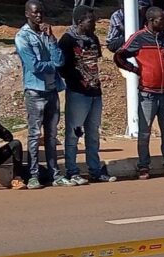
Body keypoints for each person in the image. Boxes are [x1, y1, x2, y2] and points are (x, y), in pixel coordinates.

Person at [116, 7, 164, 179]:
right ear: (151, 20)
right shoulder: (139, 38)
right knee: (145, 131)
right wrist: (134, 69)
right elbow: (119, 55)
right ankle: (143, 166)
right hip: (147, 93)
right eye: (161, 20)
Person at [15, 0, 70, 188]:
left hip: (52, 89)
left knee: (52, 134)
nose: (39, 16)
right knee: (34, 134)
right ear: (27, 14)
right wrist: (53, 65)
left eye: (41, 13)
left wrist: (53, 40)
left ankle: (55, 174)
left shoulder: (46, 34)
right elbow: (34, 66)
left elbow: (60, 59)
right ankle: (33, 175)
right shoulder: (22, 37)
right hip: (35, 91)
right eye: (35, 13)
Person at [58, 6, 112, 185]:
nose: (94, 24)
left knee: (93, 133)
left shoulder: (93, 38)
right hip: (78, 93)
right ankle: (72, 171)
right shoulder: (67, 40)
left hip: (95, 92)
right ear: (80, 21)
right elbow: (62, 67)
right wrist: (78, 81)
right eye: (91, 21)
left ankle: (95, 170)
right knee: (74, 133)